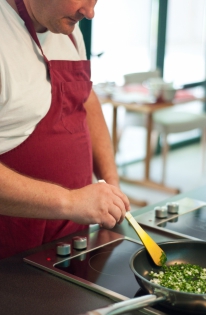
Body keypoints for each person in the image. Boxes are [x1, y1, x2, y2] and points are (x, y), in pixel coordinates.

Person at [0, 0, 130, 259]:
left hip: (70, 239)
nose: (89, 13)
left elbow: (85, 98)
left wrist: (111, 182)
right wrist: (71, 201)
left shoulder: (66, 28)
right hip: (11, 246)